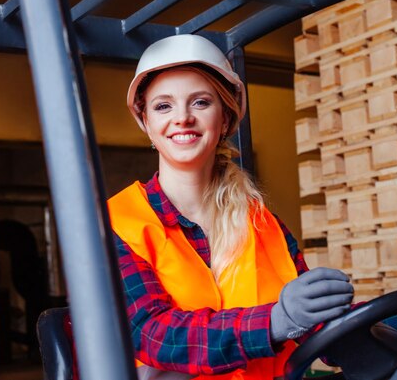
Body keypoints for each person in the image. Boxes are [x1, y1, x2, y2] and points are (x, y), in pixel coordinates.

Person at [105, 34, 354, 379]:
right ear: (146, 123)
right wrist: (275, 322)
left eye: (200, 103)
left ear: (224, 120)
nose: (182, 118)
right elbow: (153, 335)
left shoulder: (262, 223)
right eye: (163, 106)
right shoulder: (117, 224)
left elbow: (317, 326)